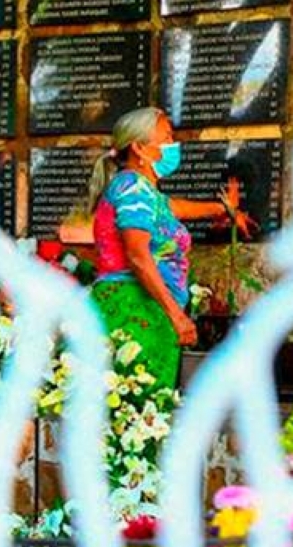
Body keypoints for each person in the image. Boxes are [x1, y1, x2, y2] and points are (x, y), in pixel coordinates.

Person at [85, 107, 253, 387]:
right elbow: (138, 256)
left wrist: (225, 209)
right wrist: (177, 315)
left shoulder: (146, 193)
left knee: (145, 405)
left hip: (148, 310)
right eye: (167, 137)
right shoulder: (132, 188)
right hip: (133, 311)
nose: (174, 145)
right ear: (139, 148)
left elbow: (177, 207)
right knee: (138, 402)